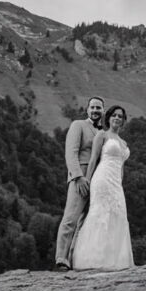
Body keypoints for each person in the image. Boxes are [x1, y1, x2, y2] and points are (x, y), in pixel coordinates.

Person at [70, 105, 134, 271]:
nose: (117, 118)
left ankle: (114, 260)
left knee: (118, 215)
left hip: (116, 183)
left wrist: (120, 183)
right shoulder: (102, 135)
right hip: (102, 179)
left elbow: (121, 166)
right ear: (109, 117)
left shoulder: (123, 142)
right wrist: (87, 181)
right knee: (100, 214)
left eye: (120, 116)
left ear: (123, 120)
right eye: (114, 115)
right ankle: (93, 260)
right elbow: (92, 160)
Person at [54, 96, 104, 270]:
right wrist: (78, 177)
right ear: (87, 109)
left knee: (85, 222)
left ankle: (74, 260)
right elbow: (70, 153)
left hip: (98, 179)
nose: (96, 110)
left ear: (103, 111)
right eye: (93, 107)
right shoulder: (78, 125)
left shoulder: (102, 132)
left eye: (99, 108)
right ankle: (60, 259)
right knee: (71, 218)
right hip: (80, 177)